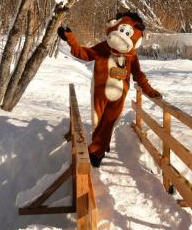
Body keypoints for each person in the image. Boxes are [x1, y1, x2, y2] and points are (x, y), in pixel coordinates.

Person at [57, 11, 161, 167]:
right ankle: (101, 147)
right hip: (99, 93)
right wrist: (71, 40)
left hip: (119, 97)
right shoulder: (103, 48)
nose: (122, 37)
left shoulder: (131, 56)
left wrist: (150, 91)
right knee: (97, 123)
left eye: (127, 33)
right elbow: (85, 53)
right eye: (121, 30)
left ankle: (95, 153)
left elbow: (138, 75)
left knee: (109, 123)